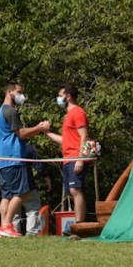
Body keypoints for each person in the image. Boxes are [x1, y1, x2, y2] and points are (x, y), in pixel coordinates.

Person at [0, 81, 51, 238]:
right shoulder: (10, 111)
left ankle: (2, 228)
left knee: (7, 196)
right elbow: (22, 133)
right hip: (13, 159)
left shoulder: (1, 111)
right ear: (10, 92)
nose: (22, 95)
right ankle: (6, 225)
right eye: (19, 92)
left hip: (4, 161)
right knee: (24, 192)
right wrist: (40, 128)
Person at [46, 84, 90, 224]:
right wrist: (46, 132)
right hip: (67, 159)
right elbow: (65, 141)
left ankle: (79, 225)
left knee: (75, 190)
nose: (58, 99)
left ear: (68, 97)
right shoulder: (68, 115)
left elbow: (84, 136)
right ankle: (76, 225)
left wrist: (80, 159)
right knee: (72, 191)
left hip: (76, 158)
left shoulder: (77, 112)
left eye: (60, 95)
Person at [0, 141, 52, 236]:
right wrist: (46, 178)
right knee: (32, 208)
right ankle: (32, 232)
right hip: (27, 185)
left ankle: (12, 232)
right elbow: (38, 165)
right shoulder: (27, 147)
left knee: (14, 212)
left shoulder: (3, 150)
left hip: (9, 186)